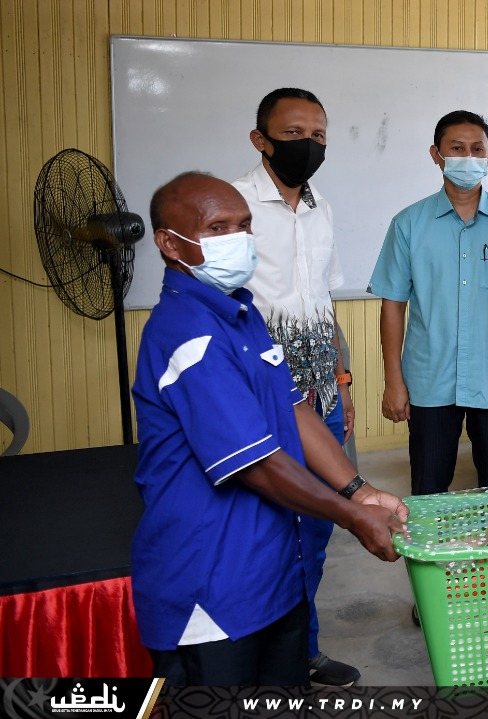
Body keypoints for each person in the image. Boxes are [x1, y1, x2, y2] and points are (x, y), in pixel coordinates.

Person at [131, 172, 407, 686]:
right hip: (213, 591)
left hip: (273, 575)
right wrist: (353, 517)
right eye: (217, 228)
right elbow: (255, 464)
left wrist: (361, 491)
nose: (238, 238)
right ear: (170, 244)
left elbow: (294, 410)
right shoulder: (187, 334)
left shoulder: (242, 314)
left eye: (243, 225)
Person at [231, 87, 360, 686]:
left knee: (317, 528)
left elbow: (322, 302)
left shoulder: (321, 207)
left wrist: (342, 379)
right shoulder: (233, 206)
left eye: (318, 136)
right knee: (270, 529)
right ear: (260, 140)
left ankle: (301, 651)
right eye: (293, 134)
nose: (308, 145)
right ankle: (267, 656)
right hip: (262, 395)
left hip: (320, 396)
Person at [369, 111, 488, 491]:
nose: (468, 157)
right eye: (457, 148)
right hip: (429, 380)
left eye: (477, 149)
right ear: (436, 155)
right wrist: (393, 381)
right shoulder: (408, 224)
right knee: (429, 488)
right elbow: (392, 307)